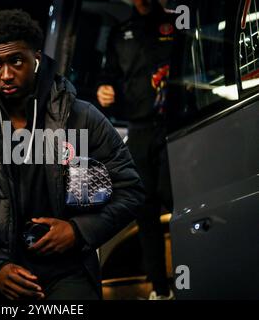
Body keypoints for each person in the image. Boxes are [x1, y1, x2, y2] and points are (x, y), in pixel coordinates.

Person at [0, 9, 144, 300]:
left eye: (16, 61)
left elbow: (131, 191)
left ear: (36, 58)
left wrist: (78, 231)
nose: (6, 74)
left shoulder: (83, 118)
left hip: (66, 273)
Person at [96, 0, 176, 300]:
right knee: (145, 211)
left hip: (175, 124)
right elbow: (108, 77)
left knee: (177, 201)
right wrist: (105, 91)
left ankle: (192, 278)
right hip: (139, 129)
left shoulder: (176, 22)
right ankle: (160, 290)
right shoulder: (120, 32)